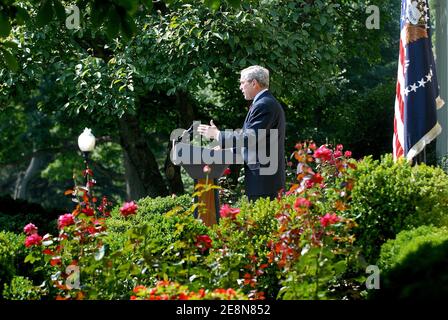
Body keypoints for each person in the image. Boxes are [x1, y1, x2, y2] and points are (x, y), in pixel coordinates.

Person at [197, 65, 285, 202]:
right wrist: (228, 148)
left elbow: (249, 138)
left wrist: (217, 135)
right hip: (263, 182)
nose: (240, 87)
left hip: (264, 183)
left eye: (242, 82)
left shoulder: (264, 105)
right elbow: (256, 142)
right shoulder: (264, 103)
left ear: (254, 83)